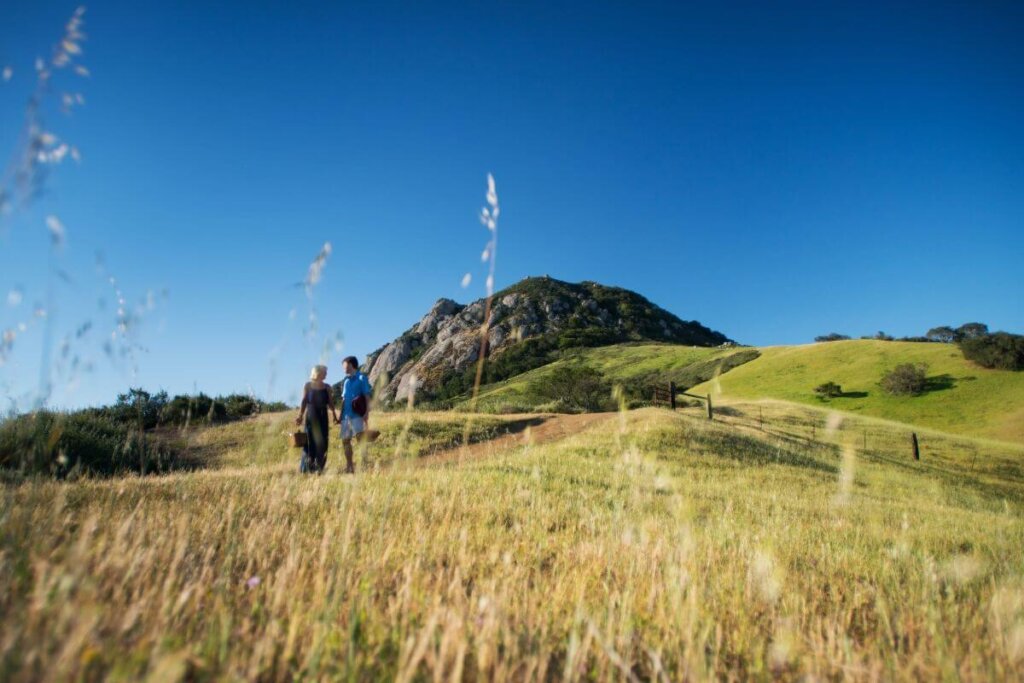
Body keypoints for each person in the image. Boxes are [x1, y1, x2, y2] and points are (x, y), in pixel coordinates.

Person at [295, 364, 338, 473]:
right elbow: (304, 401)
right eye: (325, 372)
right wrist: (300, 415)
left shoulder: (327, 387)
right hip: (311, 415)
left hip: (323, 415)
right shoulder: (308, 385)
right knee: (309, 442)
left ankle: (319, 468)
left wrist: (334, 415)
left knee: (322, 442)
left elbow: (331, 403)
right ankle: (306, 468)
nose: (326, 374)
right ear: (318, 373)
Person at [338, 355, 372, 474]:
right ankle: (349, 466)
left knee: (360, 440)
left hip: (358, 415)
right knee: (345, 441)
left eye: (345, 365)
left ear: (351, 365)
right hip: (346, 417)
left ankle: (364, 465)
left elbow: (367, 396)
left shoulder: (362, 378)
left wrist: (367, 412)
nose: (343, 368)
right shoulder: (346, 381)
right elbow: (343, 399)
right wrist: (340, 415)